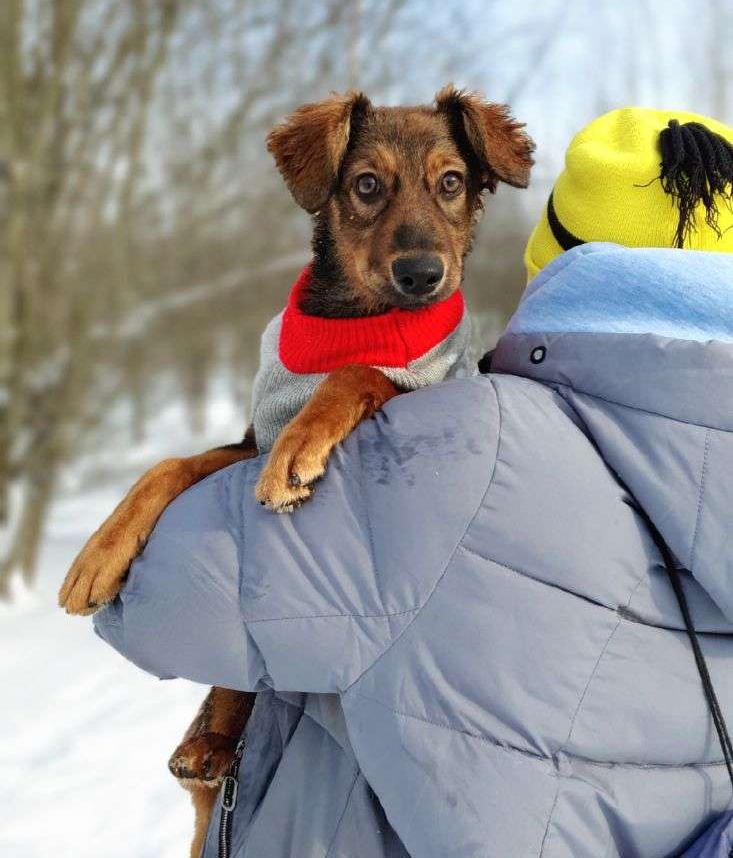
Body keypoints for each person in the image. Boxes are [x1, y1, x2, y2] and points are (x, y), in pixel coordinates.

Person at [95, 107, 733, 857]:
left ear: (552, 261)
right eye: (372, 188)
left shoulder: (461, 446)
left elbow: (155, 606)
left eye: (448, 187)